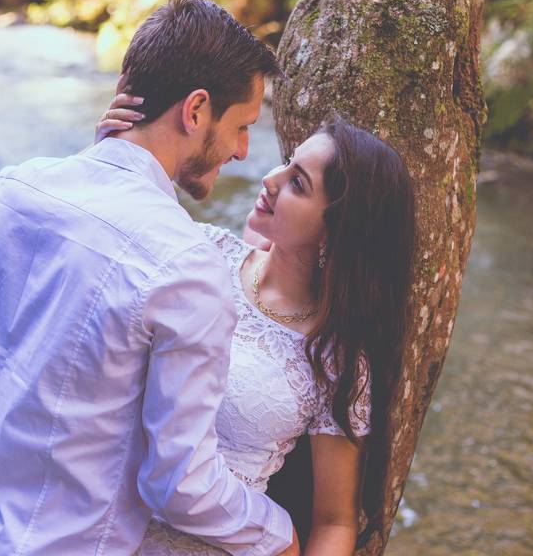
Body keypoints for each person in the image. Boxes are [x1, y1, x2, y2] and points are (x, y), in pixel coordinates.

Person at [0, 0, 300, 556]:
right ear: (196, 111)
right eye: (242, 126)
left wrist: (108, 154)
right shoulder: (186, 267)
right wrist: (276, 532)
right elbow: (178, 486)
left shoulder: (16, 190)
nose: (245, 151)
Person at [96, 103, 417, 555]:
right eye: (287, 164)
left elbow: (334, 522)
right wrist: (109, 159)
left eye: (297, 184)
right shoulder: (200, 254)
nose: (270, 179)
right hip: (101, 525)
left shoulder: (336, 358)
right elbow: (96, 270)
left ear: (336, 231)